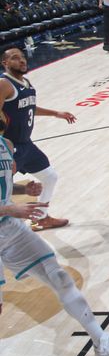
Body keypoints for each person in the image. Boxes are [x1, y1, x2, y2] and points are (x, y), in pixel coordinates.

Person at [0, 118, 109, 356]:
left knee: (59, 276)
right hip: (9, 218)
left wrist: (23, 191)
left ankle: (102, 344)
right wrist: (11, 209)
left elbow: (5, 188)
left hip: (9, 228)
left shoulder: (6, 144)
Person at [0, 49, 75, 231]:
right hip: (10, 146)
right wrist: (4, 152)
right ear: (5, 63)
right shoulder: (4, 84)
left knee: (49, 177)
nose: (21, 60)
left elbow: (30, 106)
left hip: (25, 143)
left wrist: (55, 113)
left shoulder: (25, 82)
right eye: (15, 58)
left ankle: (41, 218)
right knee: (5, 191)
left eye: (22, 57)